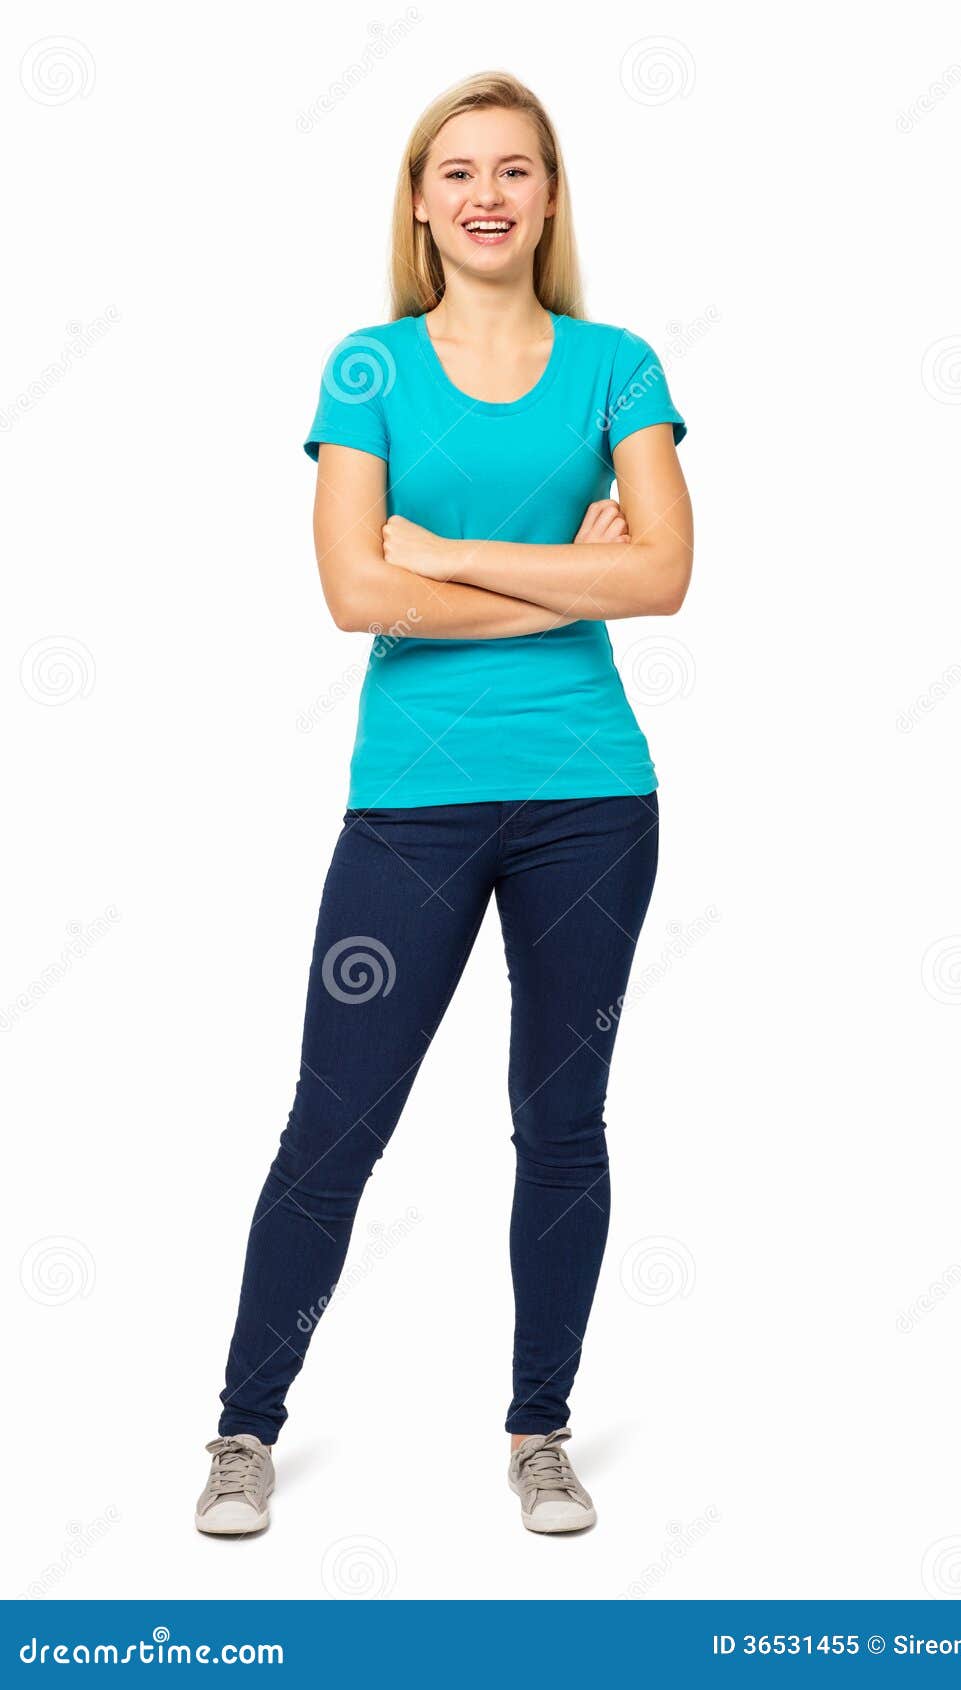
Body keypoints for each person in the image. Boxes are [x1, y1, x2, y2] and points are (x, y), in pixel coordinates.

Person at [196, 68, 693, 1538]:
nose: (486, 194)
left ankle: (540, 1427)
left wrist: (445, 552)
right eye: (458, 170)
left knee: (563, 1120)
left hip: (589, 799)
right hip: (410, 802)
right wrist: (558, 567)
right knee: (333, 1123)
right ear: (419, 201)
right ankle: (243, 1427)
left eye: (515, 170)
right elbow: (356, 591)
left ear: (548, 197)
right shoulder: (369, 368)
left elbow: (661, 578)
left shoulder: (618, 364)